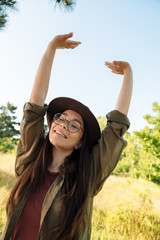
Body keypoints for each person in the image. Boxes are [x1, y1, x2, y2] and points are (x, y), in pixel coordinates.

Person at [1, 32, 133, 240]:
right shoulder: (29, 162)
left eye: (74, 126)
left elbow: (116, 127)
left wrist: (128, 74)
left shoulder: (87, 176)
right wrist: (51, 47)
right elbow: (35, 103)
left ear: (80, 142)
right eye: (60, 118)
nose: (63, 125)